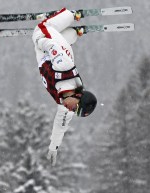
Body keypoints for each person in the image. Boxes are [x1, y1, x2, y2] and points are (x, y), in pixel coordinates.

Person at [32, 8, 97, 166]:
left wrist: (53, 148)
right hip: (49, 44)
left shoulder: (64, 107)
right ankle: (71, 15)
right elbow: (52, 45)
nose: (70, 110)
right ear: (78, 97)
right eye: (75, 108)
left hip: (58, 49)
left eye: (74, 112)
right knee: (37, 32)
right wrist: (40, 41)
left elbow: (60, 127)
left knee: (61, 39)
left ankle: (72, 33)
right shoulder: (64, 68)